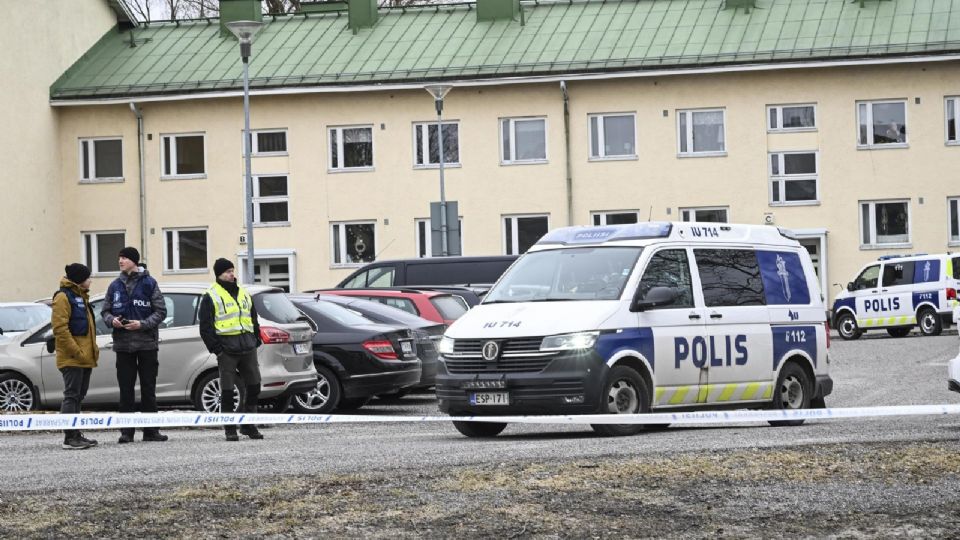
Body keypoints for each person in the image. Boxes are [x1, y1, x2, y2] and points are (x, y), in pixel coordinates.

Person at [101, 247, 168, 444]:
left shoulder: (149, 283)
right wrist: (112, 320)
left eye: (124, 258)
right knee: (126, 389)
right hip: (123, 345)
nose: (120, 261)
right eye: (119, 257)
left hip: (146, 344)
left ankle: (151, 431)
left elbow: (161, 311)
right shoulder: (114, 286)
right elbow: (104, 311)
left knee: (148, 388)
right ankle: (126, 432)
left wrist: (143, 324)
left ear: (134, 261)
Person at [198, 258, 264, 441]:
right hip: (227, 349)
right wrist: (217, 349)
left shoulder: (243, 293)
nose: (231, 274)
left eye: (232, 270)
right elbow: (205, 327)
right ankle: (230, 428)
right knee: (227, 391)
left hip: (247, 347)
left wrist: (256, 339)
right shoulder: (211, 295)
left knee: (254, 385)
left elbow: (253, 318)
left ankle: (248, 425)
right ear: (219, 274)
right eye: (227, 271)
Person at [51, 263, 99, 450]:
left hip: (84, 357)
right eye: (88, 278)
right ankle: (69, 437)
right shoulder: (63, 297)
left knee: (79, 396)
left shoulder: (81, 297)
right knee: (71, 396)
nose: (90, 281)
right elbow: (60, 329)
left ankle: (76, 433)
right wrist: (77, 352)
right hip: (73, 358)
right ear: (80, 280)